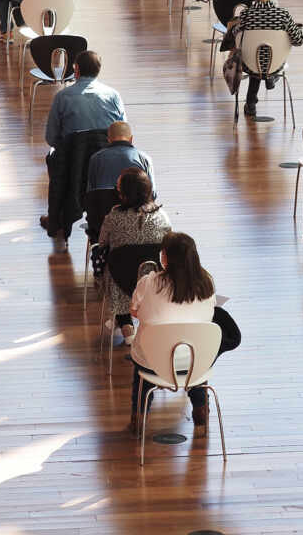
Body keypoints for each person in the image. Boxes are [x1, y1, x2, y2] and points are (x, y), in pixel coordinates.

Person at [127, 232, 218, 437]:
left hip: (152, 361)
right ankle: (201, 409)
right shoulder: (207, 283)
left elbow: (133, 311)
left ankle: (139, 416)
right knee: (194, 353)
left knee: (143, 372)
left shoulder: (148, 283)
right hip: (194, 363)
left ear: (166, 257)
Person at [42, 50, 126, 252]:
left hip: (73, 164)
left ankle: (58, 218)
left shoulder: (62, 97)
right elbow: (122, 130)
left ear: (76, 70)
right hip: (108, 164)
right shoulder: (113, 95)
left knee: (55, 160)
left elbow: (51, 138)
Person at [98, 168, 172, 343]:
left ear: (123, 194)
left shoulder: (115, 216)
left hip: (119, 280)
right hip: (154, 281)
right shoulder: (161, 216)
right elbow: (170, 244)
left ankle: (125, 324)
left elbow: (102, 242)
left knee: (118, 266)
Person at [228, 0, 303, 118]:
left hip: (249, 64)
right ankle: (270, 77)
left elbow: (235, 34)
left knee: (256, 60)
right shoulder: (283, 15)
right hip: (276, 63)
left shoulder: (246, 15)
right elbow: (298, 40)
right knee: (264, 59)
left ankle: (251, 104)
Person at [87, 121, 155, 194]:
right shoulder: (144, 158)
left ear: (108, 140)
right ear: (131, 139)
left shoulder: (96, 158)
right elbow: (152, 193)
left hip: (104, 204)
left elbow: (90, 192)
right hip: (136, 205)